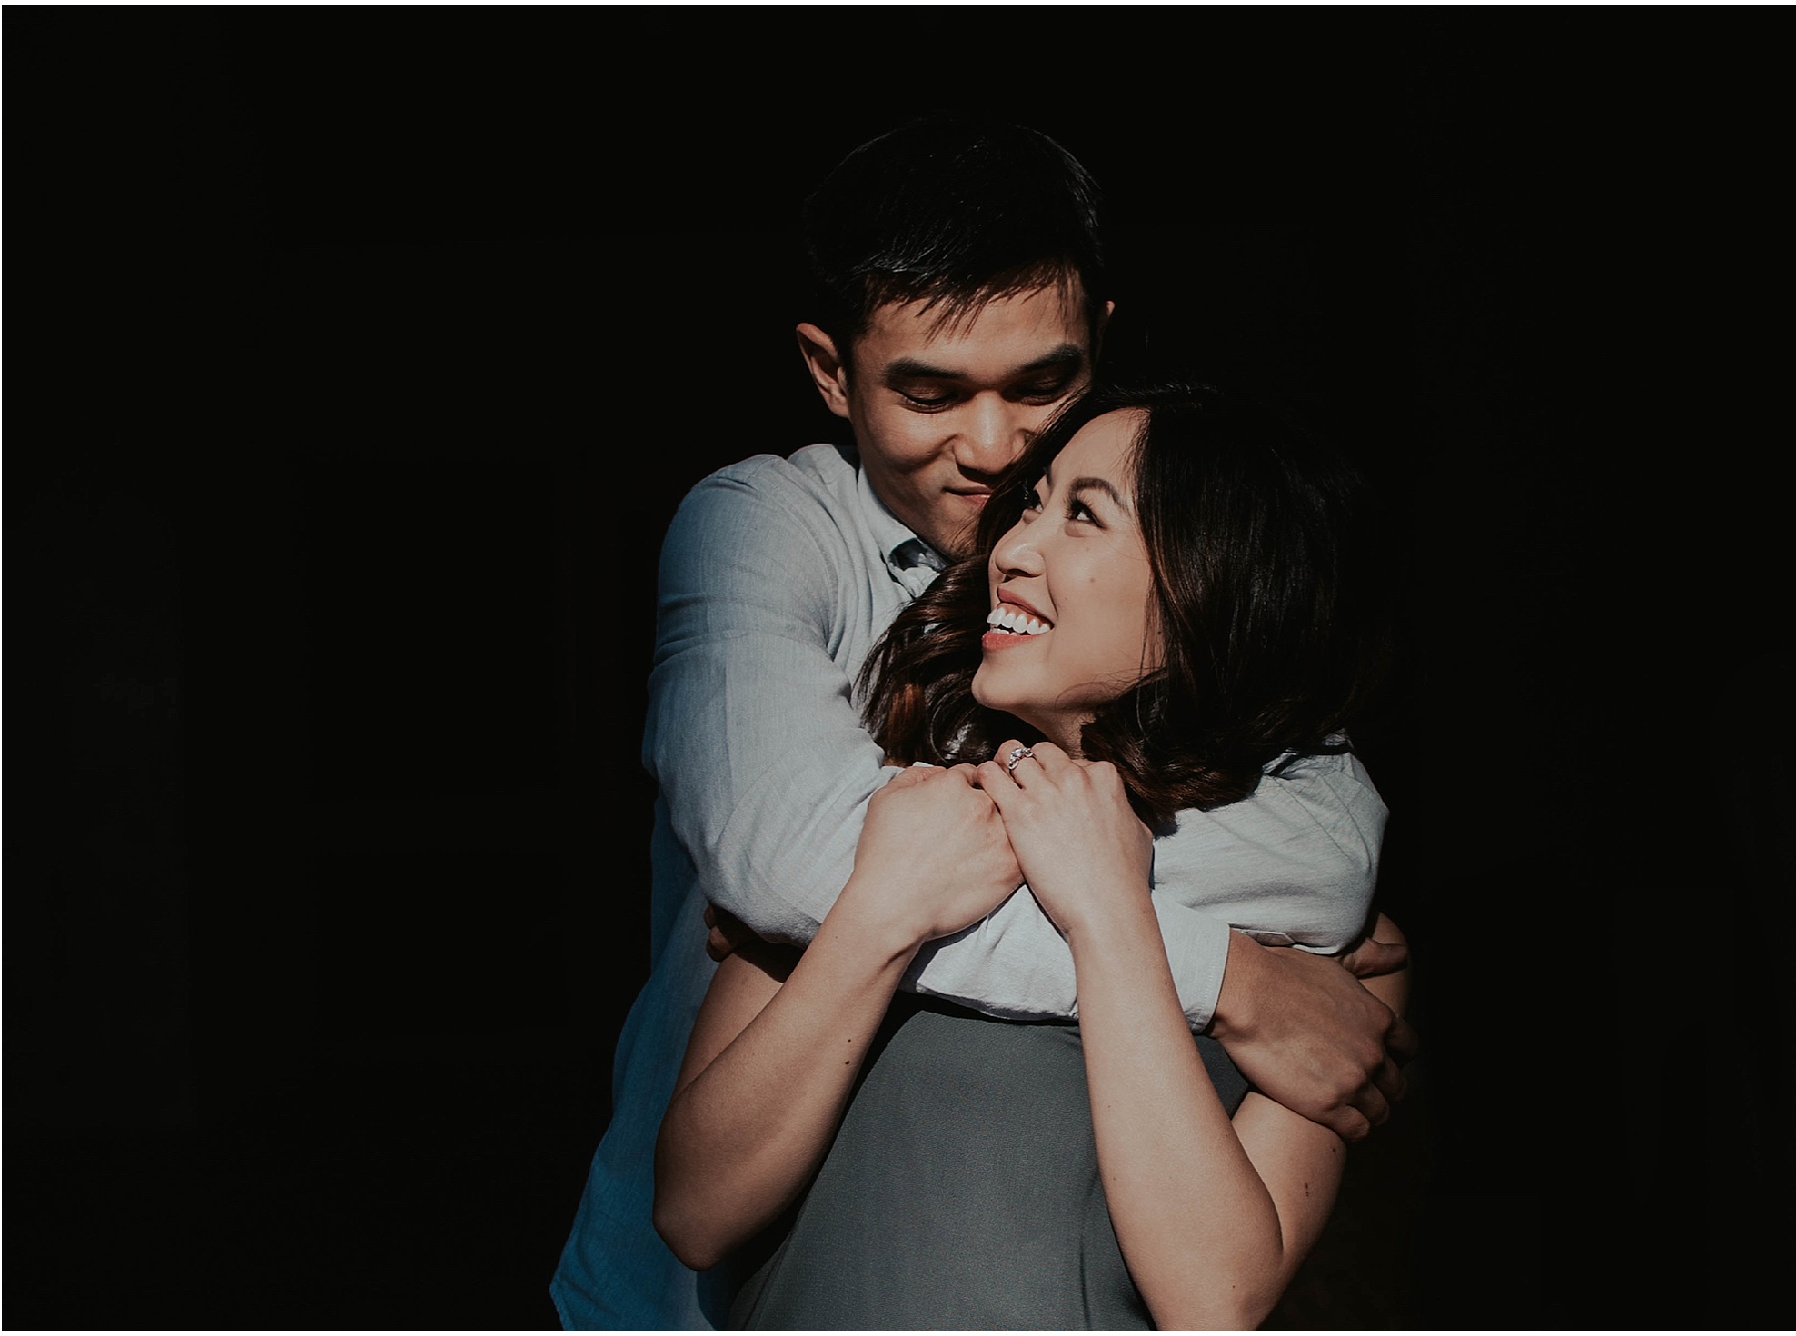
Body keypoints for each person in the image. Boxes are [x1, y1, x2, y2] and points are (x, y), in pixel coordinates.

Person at [550, 113, 1415, 1331]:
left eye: (1042, 386)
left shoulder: (1268, 782)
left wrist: (1120, 892)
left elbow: (1326, 857)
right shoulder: (764, 534)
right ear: (826, 368)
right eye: (930, 390)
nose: (997, 455)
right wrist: (1227, 972)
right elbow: (792, 860)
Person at [656, 381, 1404, 1329]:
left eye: (1083, 516)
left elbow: (1211, 1303)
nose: (1010, 549)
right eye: (1033, 503)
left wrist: (1110, 911)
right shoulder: (895, 820)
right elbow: (694, 1209)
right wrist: (880, 914)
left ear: (1212, 587)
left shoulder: (1328, 945)